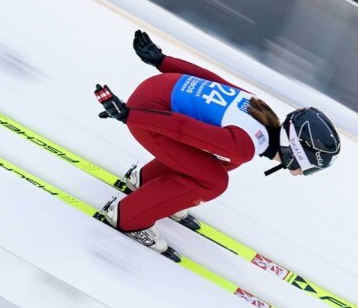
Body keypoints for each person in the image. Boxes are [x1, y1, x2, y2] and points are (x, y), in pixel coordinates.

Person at [95, 30, 341, 254]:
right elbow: (182, 128)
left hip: (157, 92)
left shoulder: (261, 111)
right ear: (297, 152)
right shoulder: (245, 145)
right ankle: (128, 217)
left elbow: (210, 80)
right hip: (150, 111)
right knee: (215, 181)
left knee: (227, 160)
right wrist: (129, 115)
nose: (301, 173)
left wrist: (162, 61)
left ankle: (146, 181)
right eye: (308, 168)